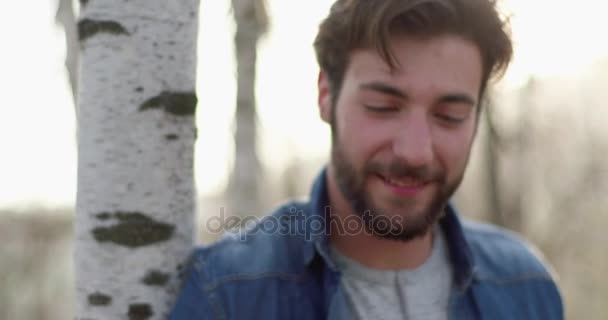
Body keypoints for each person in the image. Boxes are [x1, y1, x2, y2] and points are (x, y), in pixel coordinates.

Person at [170, 0, 563, 319]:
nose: (414, 151)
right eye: (383, 106)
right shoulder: (225, 296)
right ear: (326, 94)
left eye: (449, 116)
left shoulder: (525, 286)